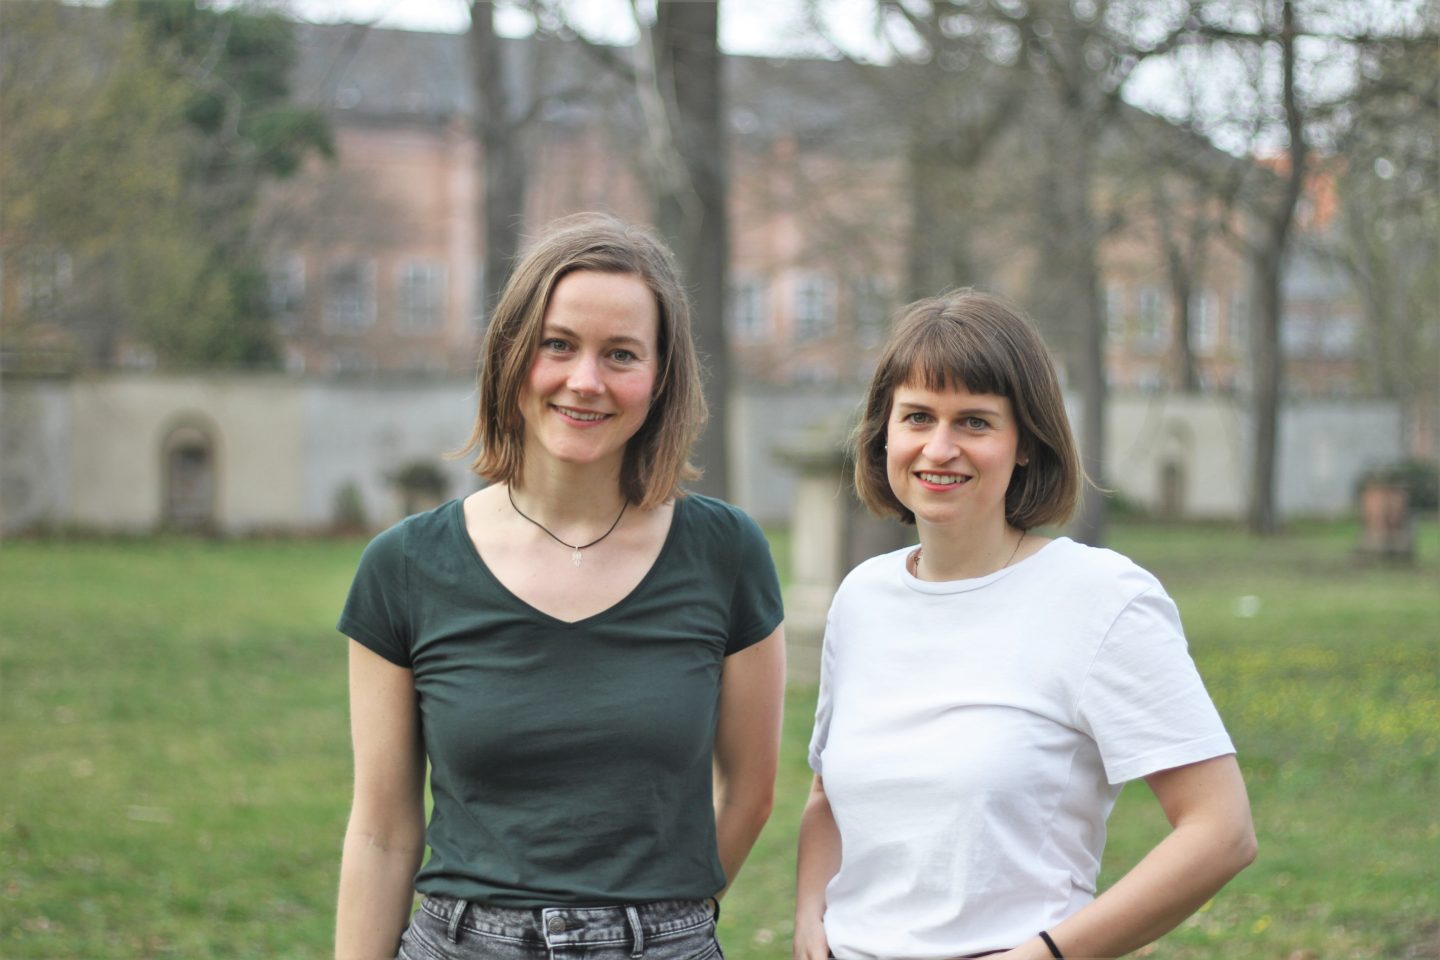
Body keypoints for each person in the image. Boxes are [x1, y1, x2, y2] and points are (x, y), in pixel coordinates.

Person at [335, 213, 786, 960]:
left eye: (621, 354)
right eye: (559, 345)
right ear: (512, 354)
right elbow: (382, 832)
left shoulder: (725, 554)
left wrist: (656, 929)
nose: (586, 381)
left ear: (661, 376)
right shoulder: (407, 567)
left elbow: (750, 793)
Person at [794, 290, 1255, 960]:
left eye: (975, 422)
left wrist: (1042, 955)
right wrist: (811, 919)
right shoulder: (862, 598)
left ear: (1027, 445)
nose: (939, 448)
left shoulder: (1100, 598)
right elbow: (825, 796)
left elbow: (1222, 830)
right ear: (884, 433)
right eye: (917, 416)